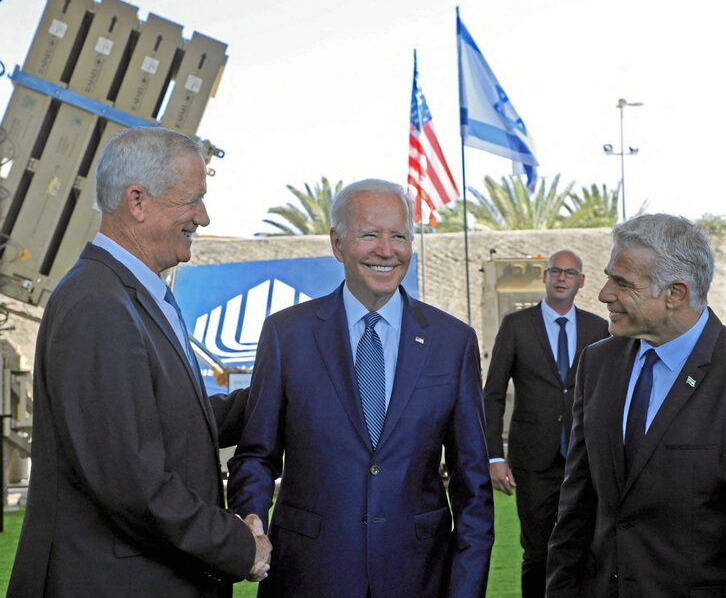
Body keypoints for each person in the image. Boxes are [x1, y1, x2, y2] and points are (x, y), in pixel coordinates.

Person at [8, 127, 271, 597]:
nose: (204, 217)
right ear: (137, 201)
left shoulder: (128, 294)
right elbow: (131, 482)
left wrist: (280, 399)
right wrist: (238, 545)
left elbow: (168, 421)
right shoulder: (98, 305)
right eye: (192, 199)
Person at [227, 179, 494, 598]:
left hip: (419, 578)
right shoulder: (287, 335)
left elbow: (473, 485)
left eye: (399, 235)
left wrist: (465, 590)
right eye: (370, 234)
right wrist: (251, 521)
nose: (387, 250)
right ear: (337, 244)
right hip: (307, 578)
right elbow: (256, 456)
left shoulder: (452, 341)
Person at [547, 214, 726, 596]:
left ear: (675, 294)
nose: (603, 294)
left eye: (623, 283)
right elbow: (576, 504)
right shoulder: (598, 362)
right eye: (610, 276)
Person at [483, 250, 609, 597]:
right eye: (555, 271)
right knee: (537, 553)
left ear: (581, 281)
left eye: (570, 273)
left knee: (585, 550)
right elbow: (492, 393)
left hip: (585, 461)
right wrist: (495, 456)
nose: (562, 278)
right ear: (545, 276)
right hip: (534, 461)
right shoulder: (516, 325)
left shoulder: (599, 328)